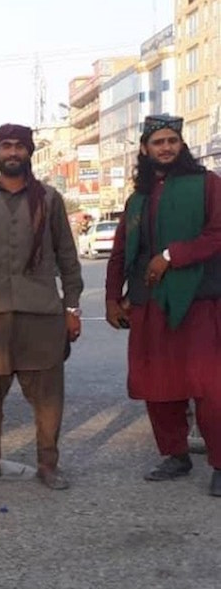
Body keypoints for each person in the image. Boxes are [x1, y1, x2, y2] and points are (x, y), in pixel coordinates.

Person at [0, 124, 83, 491]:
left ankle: (48, 465)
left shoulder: (50, 200)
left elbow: (68, 259)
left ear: (29, 153)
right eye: (5, 146)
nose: (12, 153)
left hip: (40, 314)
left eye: (19, 147)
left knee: (48, 396)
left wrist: (73, 309)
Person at [105, 114, 221, 497]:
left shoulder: (207, 185)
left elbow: (217, 233)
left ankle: (220, 462)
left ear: (181, 144)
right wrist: (111, 298)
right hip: (149, 303)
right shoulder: (137, 198)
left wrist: (172, 255)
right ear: (145, 149)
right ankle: (175, 454)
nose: (166, 147)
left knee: (210, 387)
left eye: (172, 140)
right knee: (159, 385)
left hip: (199, 301)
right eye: (159, 142)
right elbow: (120, 251)